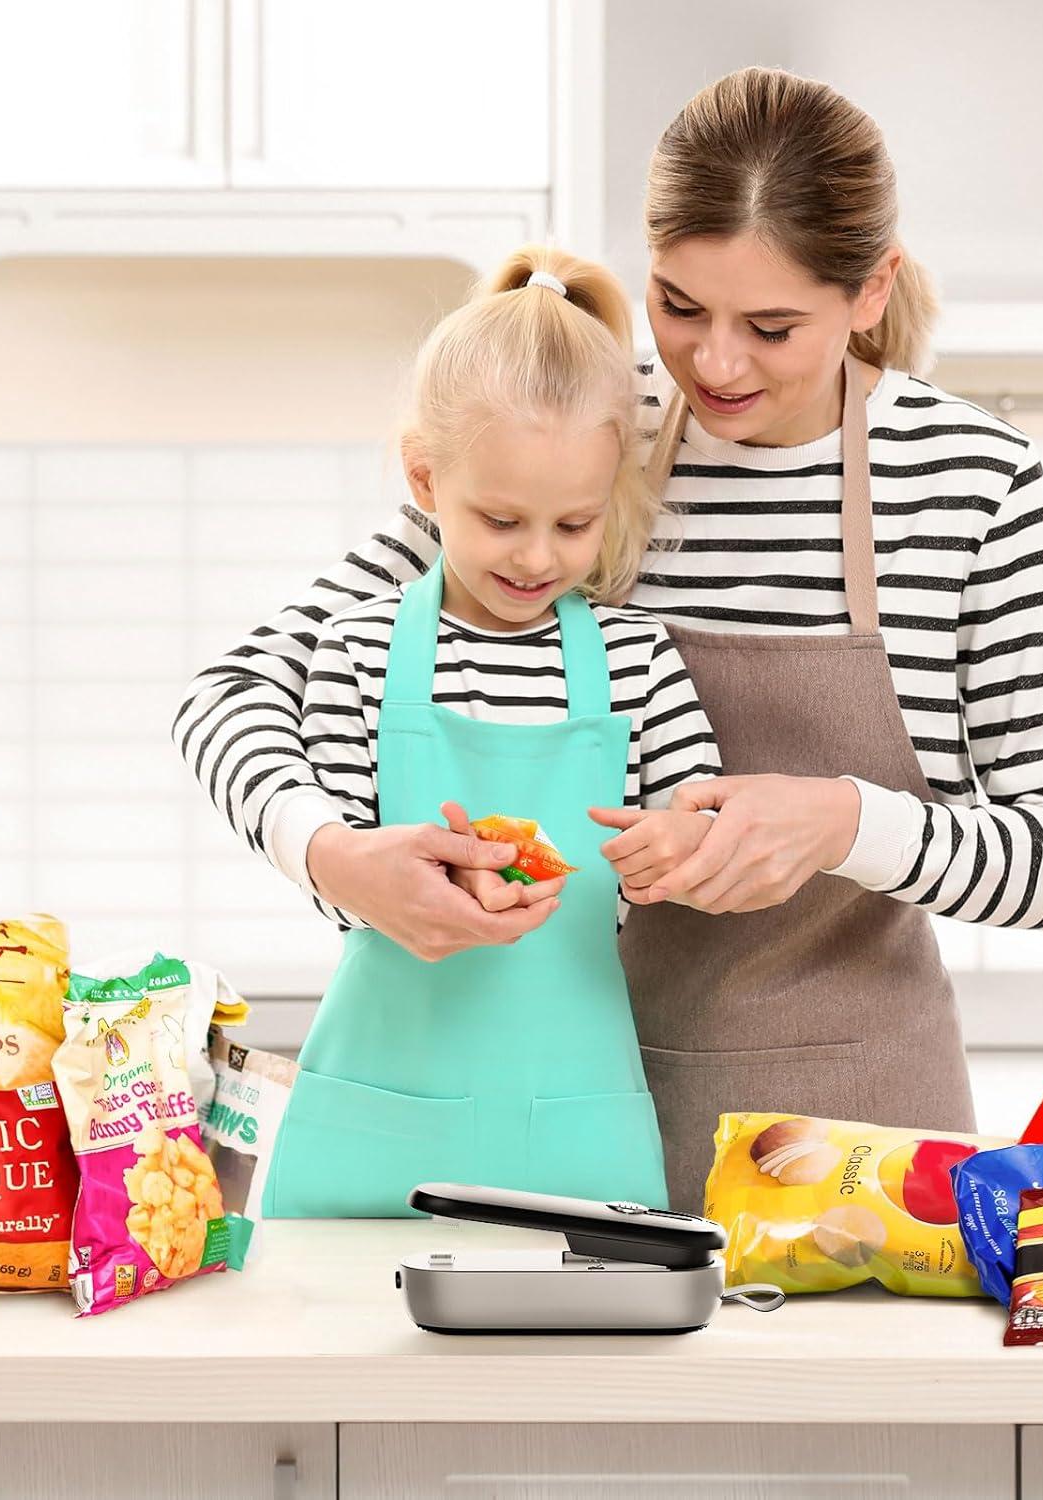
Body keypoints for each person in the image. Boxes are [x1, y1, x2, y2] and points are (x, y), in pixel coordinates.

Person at [175, 69, 1043, 1215]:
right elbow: (230, 694)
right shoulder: (583, 440)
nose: (713, 366)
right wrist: (333, 858)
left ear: (871, 291)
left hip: (852, 1156)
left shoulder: (967, 479)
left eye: (772, 327)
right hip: (556, 1132)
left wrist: (841, 822)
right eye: (679, 306)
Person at [258, 246, 720, 1217]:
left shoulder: (638, 661)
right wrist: (407, 880)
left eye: (575, 522)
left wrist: (675, 853)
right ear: (425, 481)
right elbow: (346, 885)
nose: (538, 555)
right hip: (377, 1135)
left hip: (576, 1128)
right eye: (502, 518)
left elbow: (696, 839)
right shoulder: (359, 648)